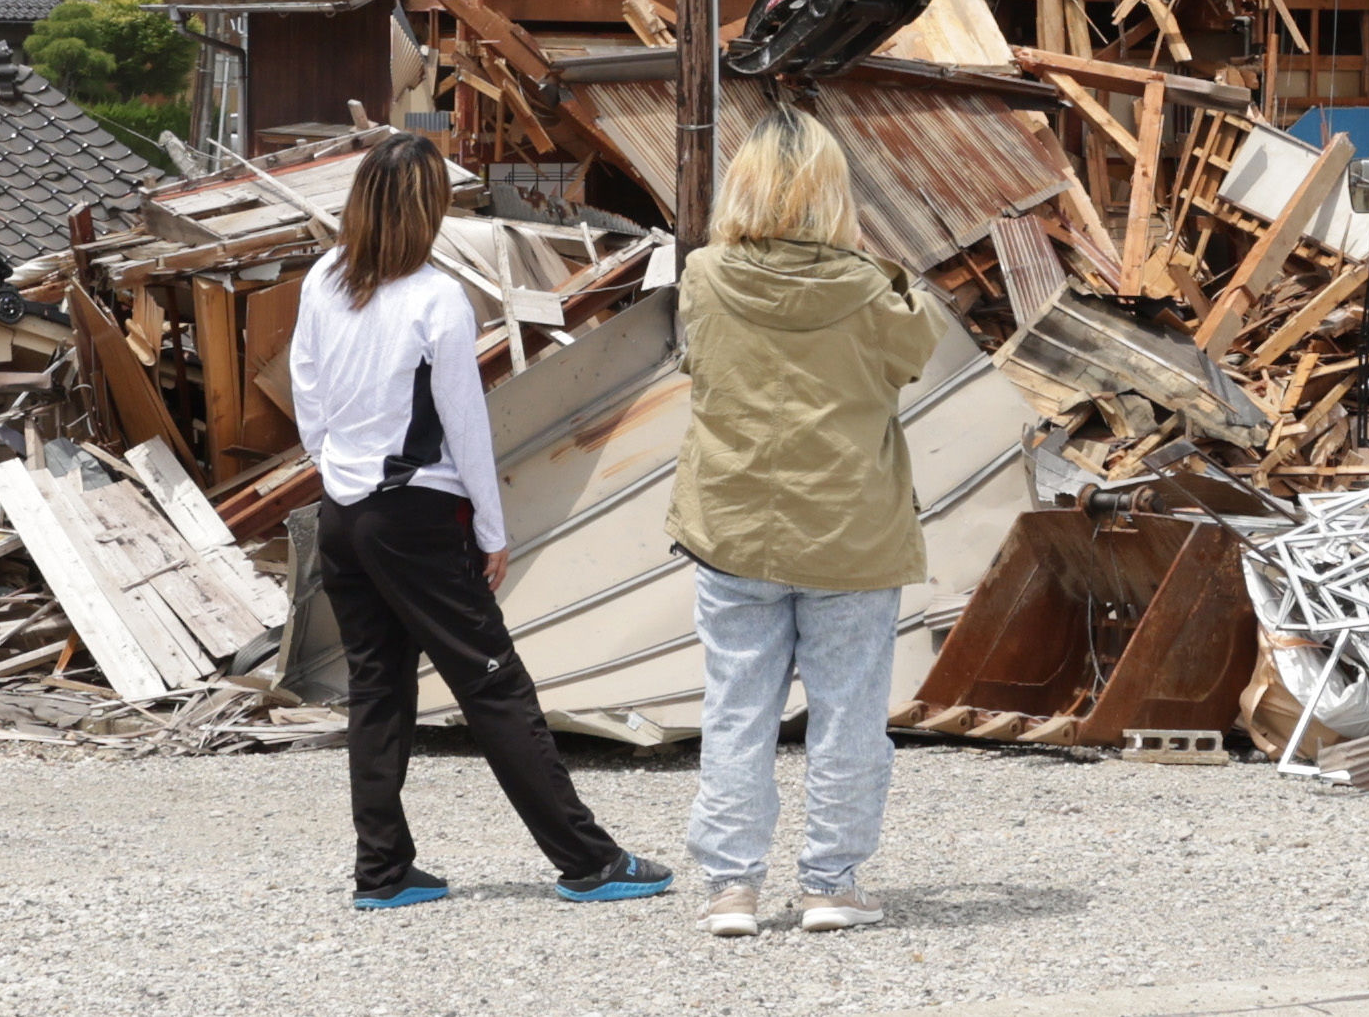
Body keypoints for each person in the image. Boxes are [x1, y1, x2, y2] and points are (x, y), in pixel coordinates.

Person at [289, 130, 672, 912]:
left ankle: (382, 873)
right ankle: (588, 861)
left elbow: (306, 388)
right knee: (493, 683)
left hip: (344, 512)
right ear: (429, 209)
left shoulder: (324, 278)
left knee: (377, 688)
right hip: (417, 515)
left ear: (361, 202)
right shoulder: (436, 299)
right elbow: (465, 425)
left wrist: (333, 466)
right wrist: (491, 532)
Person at [667, 107, 944, 938]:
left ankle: (731, 888)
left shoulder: (702, 275)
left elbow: (695, 363)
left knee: (736, 709)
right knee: (848, 714)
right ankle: (830, 882)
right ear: (834, 196)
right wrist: (875, 265)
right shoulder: (872, 291)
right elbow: (915, 353)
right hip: (850, 528)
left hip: (733, 521)